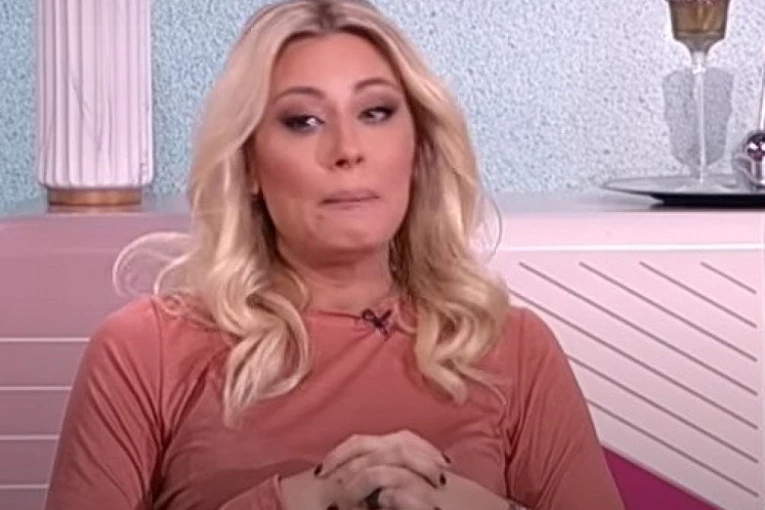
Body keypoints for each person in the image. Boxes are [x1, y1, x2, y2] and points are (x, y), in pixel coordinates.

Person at [45, 0, 625, 509]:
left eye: (375, 113)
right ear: (249, 167)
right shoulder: (146, 351)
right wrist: (298, 501)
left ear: (417, 148)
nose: (348, 150)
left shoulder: (513, 348)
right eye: (303, 121)